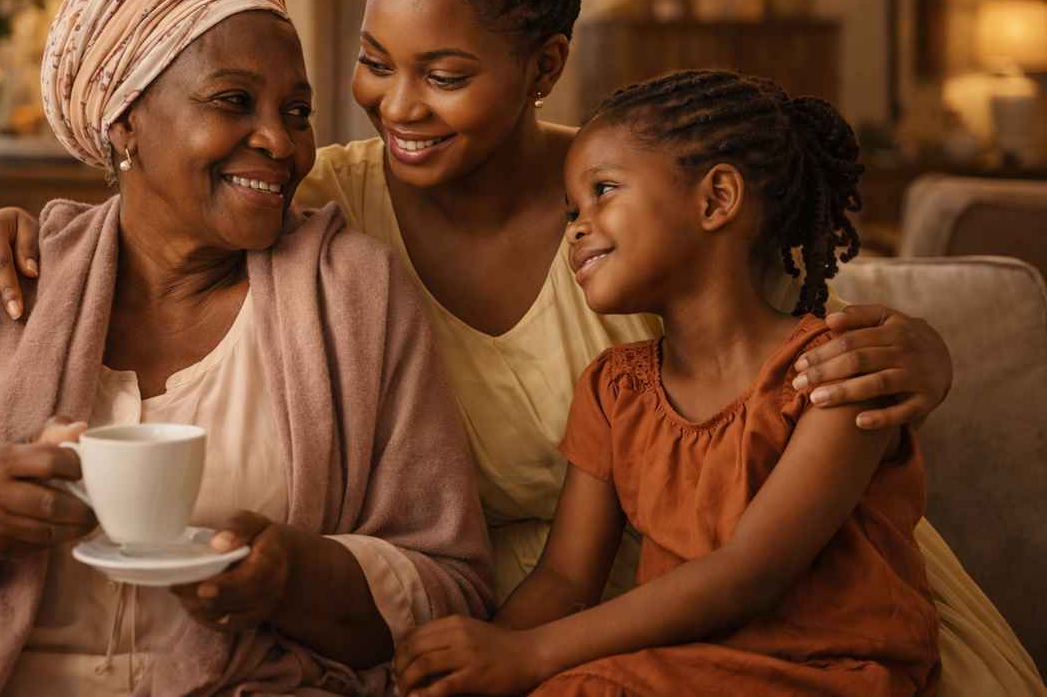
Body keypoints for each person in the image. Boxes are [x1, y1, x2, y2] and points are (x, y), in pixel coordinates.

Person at [0, 0, 1044, 691]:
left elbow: (802, 327)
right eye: (372, 62)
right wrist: (20, 226)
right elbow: (169, 201)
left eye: (445, 74)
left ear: (544, 65)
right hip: (537, 621)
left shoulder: (635, 209)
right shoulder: (320, 201)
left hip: (798, 610)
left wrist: (924, 352)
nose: (398, 106)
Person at [0, 0, 492, 697]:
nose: (280, 141)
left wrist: (292, 578)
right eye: (233, 100)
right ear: (124, 123)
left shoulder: (353, 296)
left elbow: (450, 591)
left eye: (298, 110)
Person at [394, 71, 941, 696]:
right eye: (572, 210)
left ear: (716, 200)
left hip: (830, 669)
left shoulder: (835, 375)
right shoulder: (614, 391)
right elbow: (565, 581)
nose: (575, 227)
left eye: (603, 191)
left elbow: (751, 572)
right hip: (685, 665)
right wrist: (482, 658)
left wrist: (528, 655)